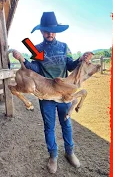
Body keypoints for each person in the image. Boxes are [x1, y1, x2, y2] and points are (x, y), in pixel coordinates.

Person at [12, 11, 92, 174]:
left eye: (52, 30)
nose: (49, 33)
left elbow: (70, 65)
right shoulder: (37, 49)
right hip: (46, 93)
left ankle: (70, 153)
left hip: (63, 92)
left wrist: (80, 60)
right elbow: (34, 68)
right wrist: (22, 59)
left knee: (66, 123)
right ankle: (53, 156)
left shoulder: (64, 47)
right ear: (41, 31)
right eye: (46, 30)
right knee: (49, 127)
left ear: (56, 31)